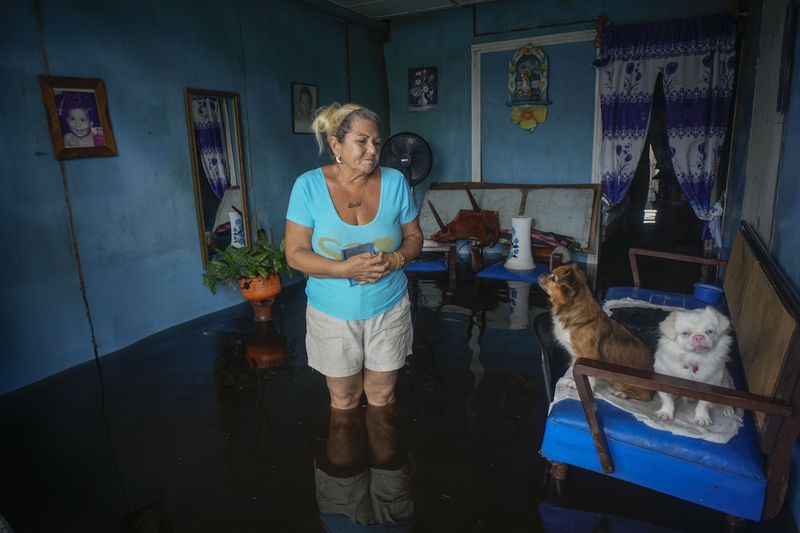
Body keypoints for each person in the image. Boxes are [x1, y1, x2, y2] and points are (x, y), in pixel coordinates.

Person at [285, 103, 423, 410]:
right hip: (331, 312)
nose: (372, 150)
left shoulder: (395, 182)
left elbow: (414, 238)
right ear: (336, 144)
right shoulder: (308, 187)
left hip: (389, 307)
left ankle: (384, 459)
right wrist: (344, 269)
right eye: (362, 141)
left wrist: (394, 259)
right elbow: (294, 255)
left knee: (383, 396)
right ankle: (347, 459)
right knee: (344, 399)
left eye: (376, 141)